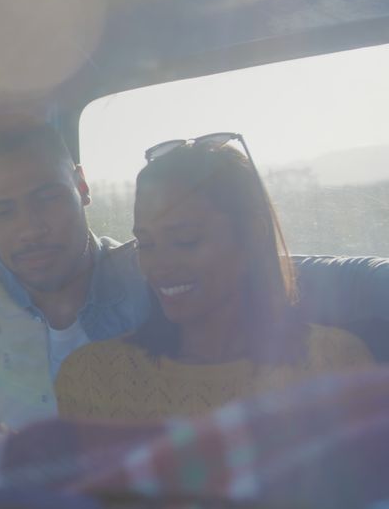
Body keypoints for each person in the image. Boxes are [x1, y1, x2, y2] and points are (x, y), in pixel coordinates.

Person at [55, 134, 375, 420]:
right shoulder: (91, 379)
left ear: (251, 235)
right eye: (147, 244)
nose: (159, 264)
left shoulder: (334, 364)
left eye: (186, 240)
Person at [0, 121, 151, 429]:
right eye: (2, 212)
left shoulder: (151, 280)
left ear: (82, 187)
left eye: (48, 198)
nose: (30, 230)